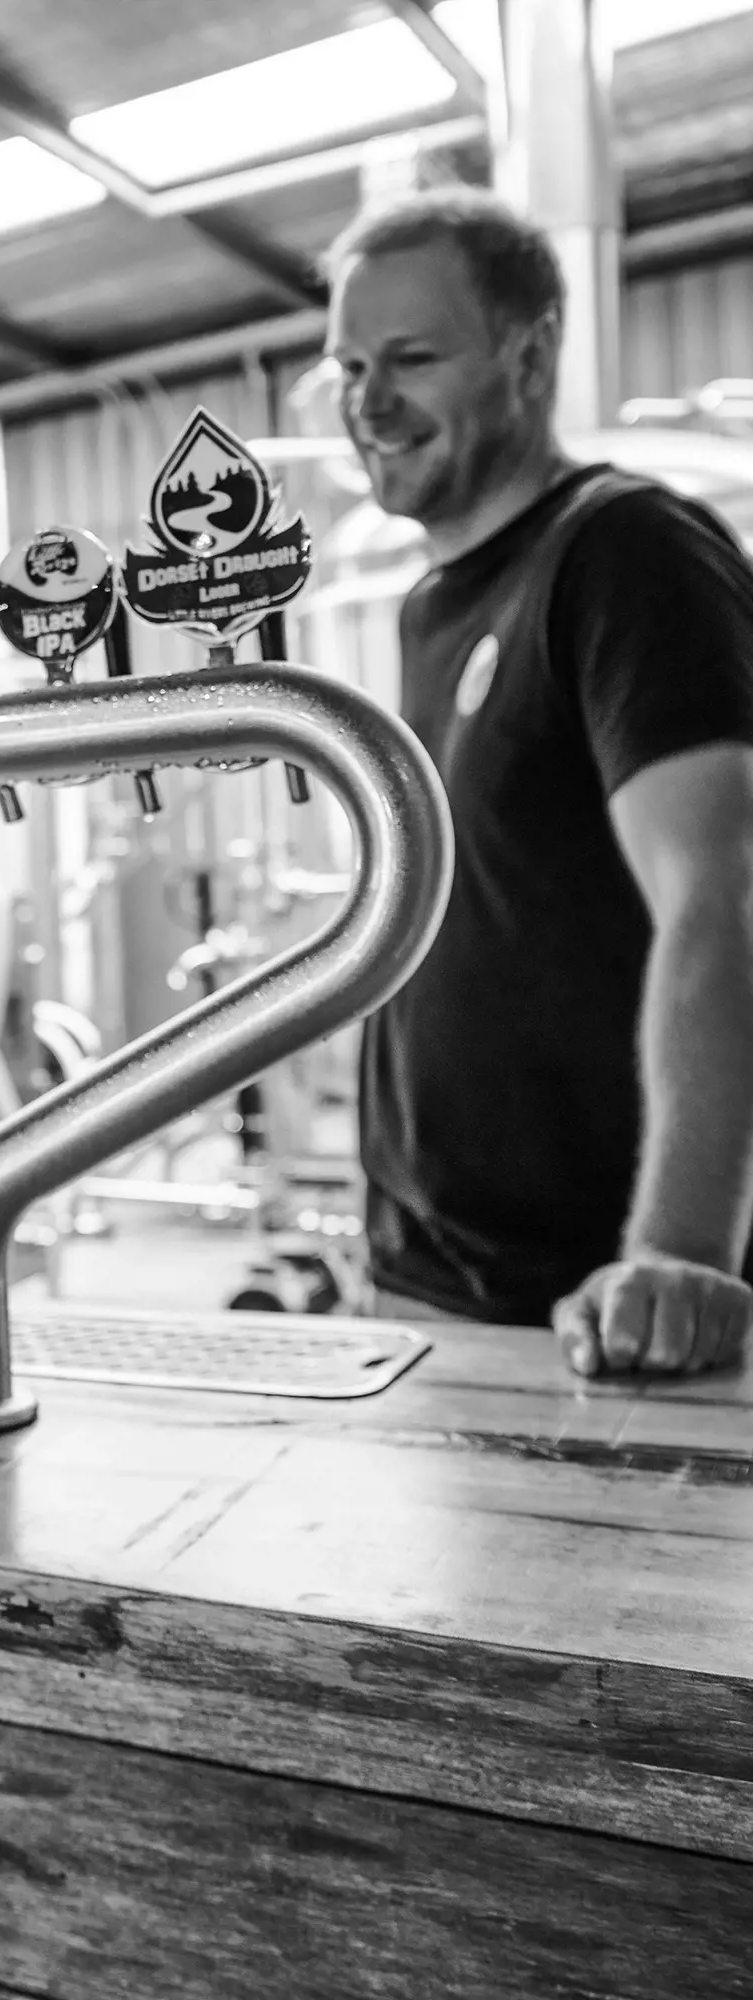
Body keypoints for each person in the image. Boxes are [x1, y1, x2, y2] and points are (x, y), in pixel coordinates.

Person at [323, 188, 753, 1380]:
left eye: (410, 356)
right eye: (348, 363)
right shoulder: (433, 603)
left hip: (591, 1317)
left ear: (529, 352)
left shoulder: (622, 552)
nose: (367, 400)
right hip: (423, 1286)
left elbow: (721, 901)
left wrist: (676, 1255)